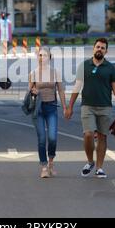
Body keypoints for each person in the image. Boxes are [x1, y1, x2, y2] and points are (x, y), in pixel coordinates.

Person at [65, 38, 115, 179]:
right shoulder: (84, 65)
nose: (99, 49)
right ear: (93, 48)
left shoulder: (110, 68)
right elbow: (77, 86)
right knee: (88, 134)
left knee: (102, 137)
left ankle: (99, 168)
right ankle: (90, 161)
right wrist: (70, 107)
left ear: (106, 51)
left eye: (103, 48)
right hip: (88, 106)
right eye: (98, 47)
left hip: (105, 107)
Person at [29, 47, 66, 178]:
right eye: (39, 55)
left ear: (49, 57)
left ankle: (51, 162)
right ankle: (44, 167)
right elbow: (30, 93)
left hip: (51, 107)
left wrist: (65, 107)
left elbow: (61, 91)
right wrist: (33, 92)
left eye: (44, 55)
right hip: (38, 108)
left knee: (52, 138)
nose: (41, 57)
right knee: (42, 139)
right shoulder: (33, 73)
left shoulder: (56, 72)